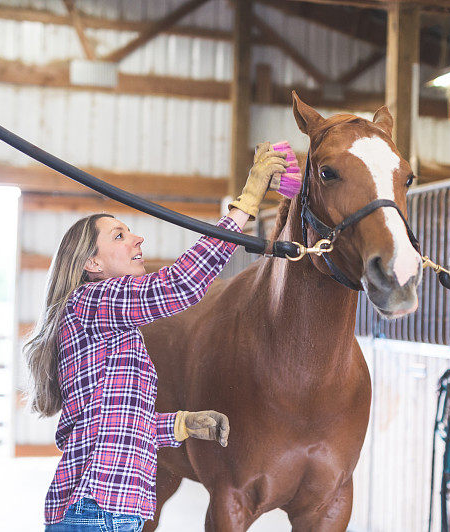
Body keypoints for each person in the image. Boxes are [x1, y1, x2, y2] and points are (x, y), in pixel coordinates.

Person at [23, 144, 288, 531]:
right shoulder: (91, 302)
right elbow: (180, 284)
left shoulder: (108, 324)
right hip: (96, 513)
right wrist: (247, 200)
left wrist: (182, 424)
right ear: (92, 264)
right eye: (119, 235)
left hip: (108, 511)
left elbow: (122, 424)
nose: (138, 240)